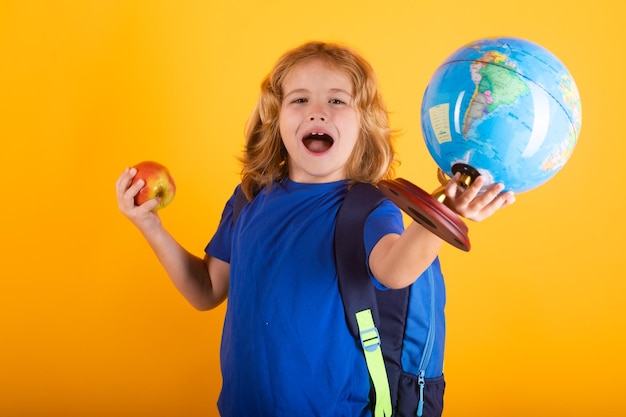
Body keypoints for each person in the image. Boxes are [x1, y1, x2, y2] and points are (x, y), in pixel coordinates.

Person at [116, 41, 515, 416]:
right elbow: (205, 290)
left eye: (337, 100)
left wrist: (444, 216)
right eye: (300, 99)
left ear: (364, 125)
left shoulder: (369, 207)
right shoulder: (248, 199)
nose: (316, 111)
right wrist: (149, 223)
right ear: (276, 120)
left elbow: (394, 270)